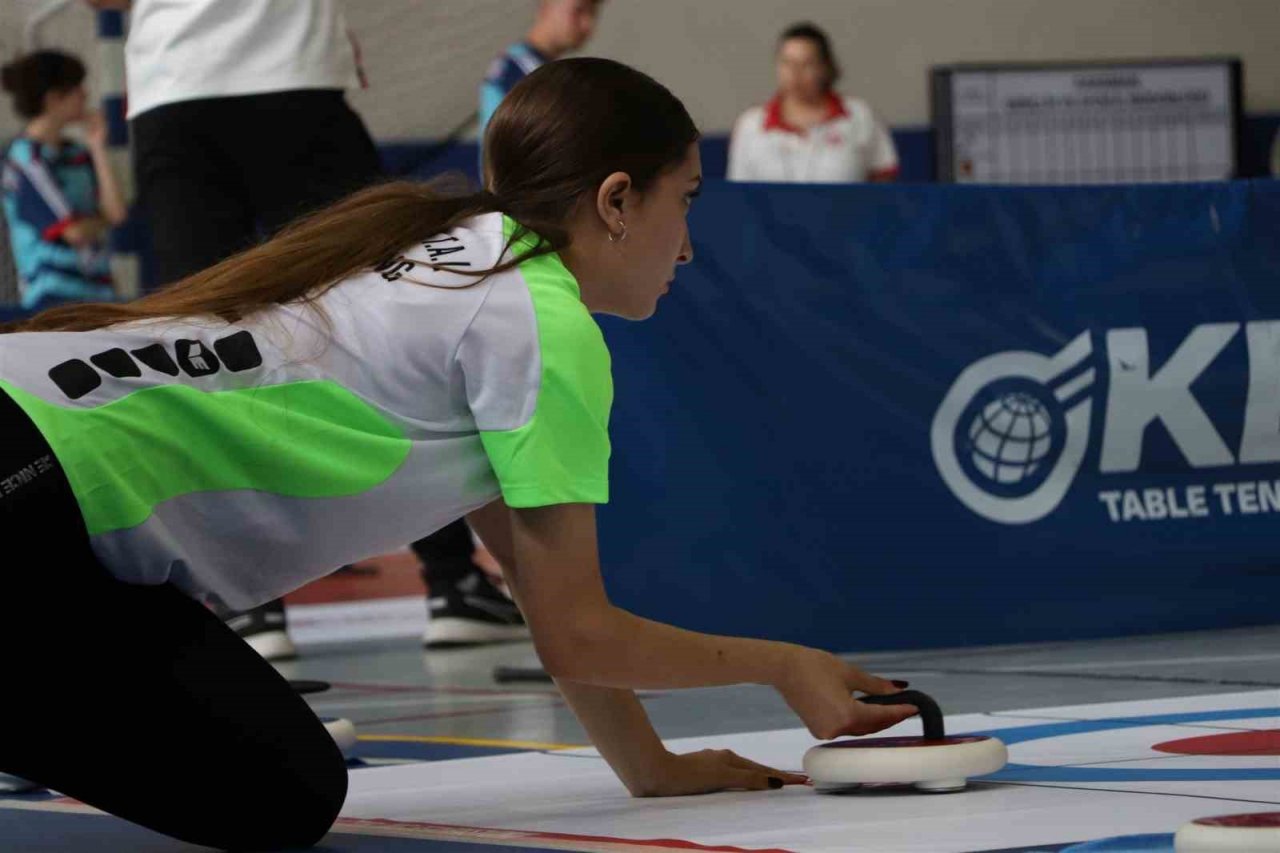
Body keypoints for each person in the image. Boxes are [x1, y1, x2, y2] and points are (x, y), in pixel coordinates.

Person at [0, 58, 916, 850]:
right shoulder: (545, 325)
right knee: (277, 793)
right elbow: (579, 631)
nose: (687, 246)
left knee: (283, 771)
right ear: (617, 201)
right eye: (686, 201)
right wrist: (784, 663)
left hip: (37, 446)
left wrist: (651, 767)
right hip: (36, 480)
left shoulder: (452, 250)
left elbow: (545, 599)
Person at [90, 0, 510, 656]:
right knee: (381, 320)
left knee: (197, 349)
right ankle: (453, 579)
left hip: (178, 87)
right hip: (293, 79)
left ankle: (248, 606)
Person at [1, 50, 126, 313]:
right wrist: (101, 220)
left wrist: (98, 147)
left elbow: (116, 212)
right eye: (76, 88)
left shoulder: (77, 153)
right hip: (54, 296)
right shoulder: (25, 160)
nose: (85, 95)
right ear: (53, 99)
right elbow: (74, 232)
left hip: (99, 291)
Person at [728, 23, 899, 184]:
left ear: (825, 67)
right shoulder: (751, 124)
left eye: (807, 64)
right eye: (787, 63)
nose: (795, 73)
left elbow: (885, 180)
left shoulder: (859, 115)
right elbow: (739, 191)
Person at [478, 0, 604, 144]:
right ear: (546, 5)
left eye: (593, 13)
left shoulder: (516, 67)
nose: (588, 25)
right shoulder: (524, 76)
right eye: (579, 10)